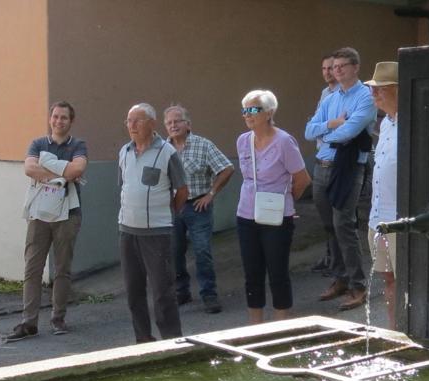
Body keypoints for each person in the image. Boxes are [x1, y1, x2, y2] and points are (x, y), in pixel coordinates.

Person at [5, 101, 88, 342]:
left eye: (64, 117)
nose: (58, 121)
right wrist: (61, 175)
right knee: (32, 268)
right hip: (39, 214)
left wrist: (50, 168)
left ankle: (58, 318)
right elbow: (29, 168)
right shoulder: (38, 143)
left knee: (62, 269)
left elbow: (77, 171)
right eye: (55, 116)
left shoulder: (79, 145)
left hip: (68, 215)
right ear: (50, 119)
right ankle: (29, 322)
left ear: (70, 121)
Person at [305, 47, 377, 311]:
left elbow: (350, 133)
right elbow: (308, 130)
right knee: (329, 226)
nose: (337, 71)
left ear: (355, 67)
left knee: (344, 225)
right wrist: (330, 125)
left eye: (342, 66)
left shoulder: (365, 98)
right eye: (334, 67)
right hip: (322, 166)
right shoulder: (330, 98)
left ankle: (358, 286)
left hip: (348, 168)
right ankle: (340, 279)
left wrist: (327, 134)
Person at [236, 90, 312, 324]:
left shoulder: (284, 141)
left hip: (276, 215)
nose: (247, 115)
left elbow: (302, 179)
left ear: (269, 113)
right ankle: (254, 326)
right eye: (245, 110)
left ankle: (281, 324)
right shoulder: (242, 141)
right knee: (252, 272)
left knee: (277, 271)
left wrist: (285, 202)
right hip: (247, 213)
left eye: (254, 109)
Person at [118, 103, 188, 342]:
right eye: (129, 121)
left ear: (152, 124)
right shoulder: (124, 152)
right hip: (128, 231)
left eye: (138, 120)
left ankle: (171, 340)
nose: (132, 125)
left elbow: (182, 190)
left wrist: (166, 216)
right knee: (133, 291)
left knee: (162, 291)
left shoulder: (167, 152)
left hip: (157, 233)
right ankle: (143, 340)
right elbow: (124, 187)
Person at [164, 105, 234, 314]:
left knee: (202, 251)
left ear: (188, 124)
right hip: (173, 208)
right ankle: (181, 292)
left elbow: (227, 168)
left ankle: (209, 294)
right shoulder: (162, 149)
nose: (173, 125)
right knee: (175, 252)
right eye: (169, 123)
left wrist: (210, 194)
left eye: (177, 121)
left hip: (197, 206)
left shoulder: (203, 145)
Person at [365, 61, 399, 327]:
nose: (374, 95)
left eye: (380, 89)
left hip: (401, 219)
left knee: (407, 281)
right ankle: (393, 331)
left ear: (399, 90)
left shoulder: (413, 124)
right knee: (388, 278)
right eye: (372, 89)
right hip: (378, 218)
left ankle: (410, 334)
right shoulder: (386, 123)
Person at [312, 52, 340, 275]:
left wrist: (324, 125)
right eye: (324, 69)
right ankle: (330, 256)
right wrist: (325, 125)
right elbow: (314, 127)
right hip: (321, 155)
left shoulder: (344, 94)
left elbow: (336, 127)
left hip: (338, 161)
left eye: (330, 68)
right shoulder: (324, 93)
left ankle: (338, 263)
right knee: (325, 216)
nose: (327, 72)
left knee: (339, 217)